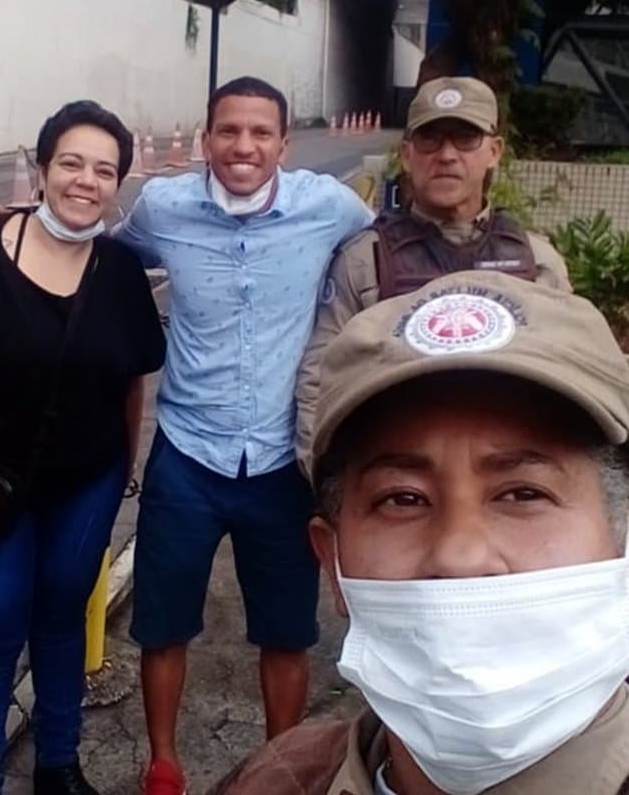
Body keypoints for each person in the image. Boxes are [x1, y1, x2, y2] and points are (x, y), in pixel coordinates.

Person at [218, 269, 629, 795]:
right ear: (334, 564)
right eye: (402, 499)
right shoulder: (277, 778)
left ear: (621, 541)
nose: (460, 556)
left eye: (524, 493)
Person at [107, 77, 373, 794]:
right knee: (162, 625)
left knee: (286, 632)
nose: (244, 146)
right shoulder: (164, 207)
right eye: (229, 131)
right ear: (206, 139)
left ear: (285, 144)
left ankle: (279, 767)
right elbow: (105, 253)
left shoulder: (330, 207)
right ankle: (163, 765)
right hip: (187, 452)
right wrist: (5, 227)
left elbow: (376, 262)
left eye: (261, 133)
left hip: (284, 460)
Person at [0, 100, 166, 795]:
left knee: (62, 615)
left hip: (86, 483)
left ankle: (58, 764)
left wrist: (122, 469)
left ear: (118, 184)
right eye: (71, 163)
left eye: (104, 170)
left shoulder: (122, 272)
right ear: (43, 168)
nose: (86, 180)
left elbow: (131, 381)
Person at [294, 76, 571, 471]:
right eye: (430, 139)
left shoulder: (536, 261)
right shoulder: (365, 260)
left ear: (494, 151)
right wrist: (324, 480)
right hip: (400, 483)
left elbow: (569, 381)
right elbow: (319, 382)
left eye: (465, 138)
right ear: (406, 154)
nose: (446, 155)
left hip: (506, 484)